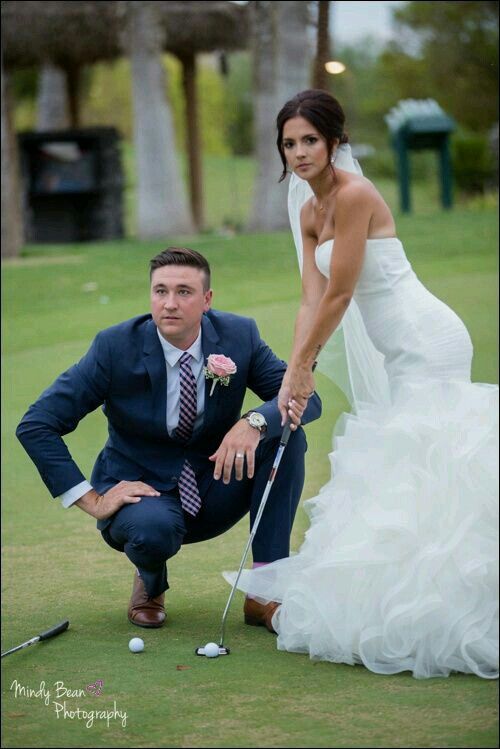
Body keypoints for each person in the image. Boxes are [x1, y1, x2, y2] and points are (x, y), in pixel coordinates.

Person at [224, 90, 499, 679]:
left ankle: (452, 603)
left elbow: (344, 292)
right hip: (393, 348)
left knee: (433, 459)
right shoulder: (306, 213)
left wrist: (306, 365)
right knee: (410, 463)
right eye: (289, 143)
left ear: (334, 143)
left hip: (427, 339)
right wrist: (292, 371)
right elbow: (311, 298)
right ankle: (413, 591)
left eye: (309, 141)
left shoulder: (355, 196)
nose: (298, 153)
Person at [16, 247, 321, 630]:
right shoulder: (115, 348)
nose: (170, 304)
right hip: (143, 496)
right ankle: (150, 581)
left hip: (216, 483)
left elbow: (305, 399)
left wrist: (255, 421)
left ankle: (264, 590)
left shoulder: (239, 336)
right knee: (152, 532)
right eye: (160, 291)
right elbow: (37, 424)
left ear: (207, 300)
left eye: (184, 292)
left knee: (287, 438)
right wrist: (91, 500)